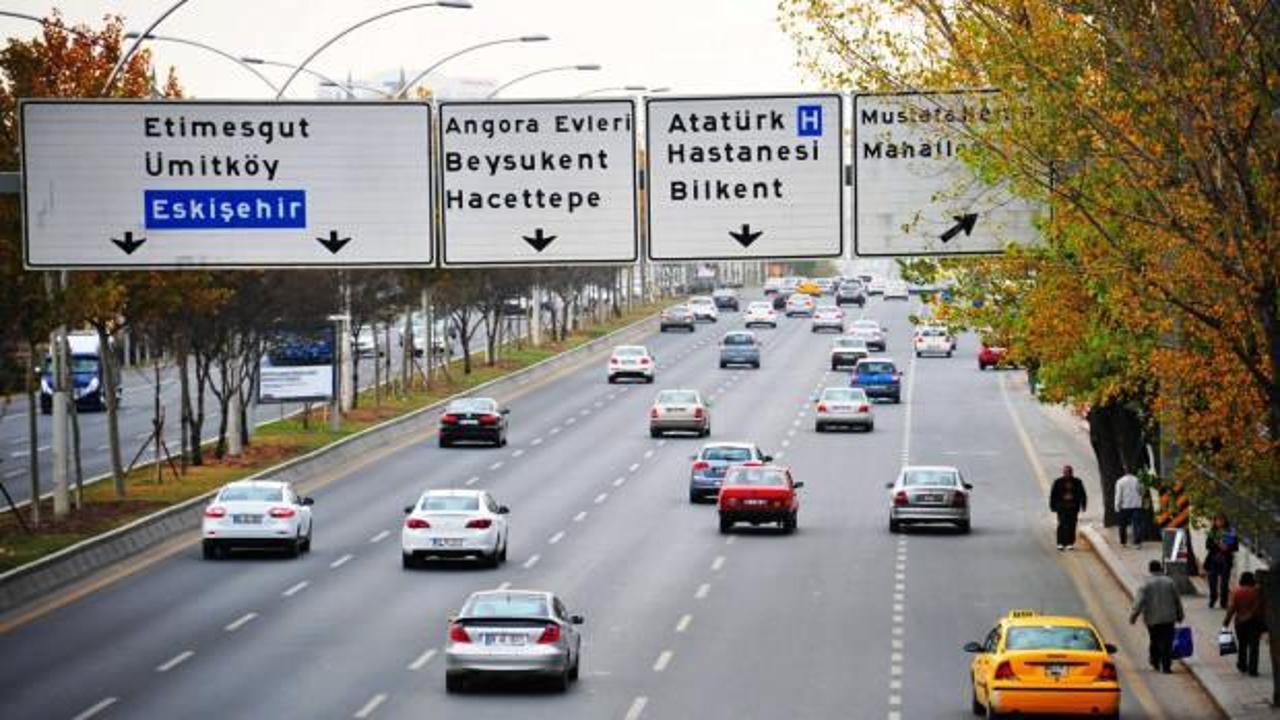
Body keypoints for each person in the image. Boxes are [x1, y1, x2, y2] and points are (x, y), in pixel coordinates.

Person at [1130, 560, 1185, 673]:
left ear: (1150, 570)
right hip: (1169, 618)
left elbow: (1139, 602)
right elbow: (1177, 600)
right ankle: (1166, 666)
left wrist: (1133, 616)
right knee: (1167, 641)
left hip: (1152, 619)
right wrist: (1180, 615)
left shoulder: (1146, 584)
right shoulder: (1170, 582)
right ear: (1161, 569)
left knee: (1155, 639)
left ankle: (1155, 661)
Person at [1224, 572, 1266, 676]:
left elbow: (1231, 608)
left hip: (1240, 622)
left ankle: (1242, 665)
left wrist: (1226, 621)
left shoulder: (1236, 592)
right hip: (1254, 622)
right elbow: (1262, 608)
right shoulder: (1257, 592)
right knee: (1254, 646)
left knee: (1242, 644)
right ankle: (1253, 669)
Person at [1204, 514, 1238, 609]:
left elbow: (1235, 546)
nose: (1219, 523)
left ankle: (1223, 602)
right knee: (1212, 581)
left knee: (1224, 582)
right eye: (1217, 520)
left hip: (1226, 560)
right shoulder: (1213, 532)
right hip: (1213, 560)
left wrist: (1227, 547)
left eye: (1221, 520)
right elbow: (1208, 545)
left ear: (1225, 521)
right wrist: (1217, 545)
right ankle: (1213, 598)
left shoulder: (1230, 531)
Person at [1050, 465, 1088, 550]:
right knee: (1062, 524)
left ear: (1072, 472)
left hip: (1073, 507)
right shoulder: (1058, 482)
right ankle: (1060, 542)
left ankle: (1070, 542)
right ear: (1063, 473)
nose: (1067, 473)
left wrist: (1083, 505)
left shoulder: (1078, 482)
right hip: (1062, 507)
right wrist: (1052, 506)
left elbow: (1082, 494)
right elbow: (1053, 495)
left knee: (1072, 524)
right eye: (1066, 472)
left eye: (1069, 472)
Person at [1114, 467, 1145, 548]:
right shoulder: (1138, 480)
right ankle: (1137, 543)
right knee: (1136, 525)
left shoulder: (1120, 481)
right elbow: (1142, 492)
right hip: (1136, 506)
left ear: (1124, 472)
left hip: (1124, 506)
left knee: (1122, 525)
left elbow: (1118, 495)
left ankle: (1123, 542)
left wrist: (1117, 506)